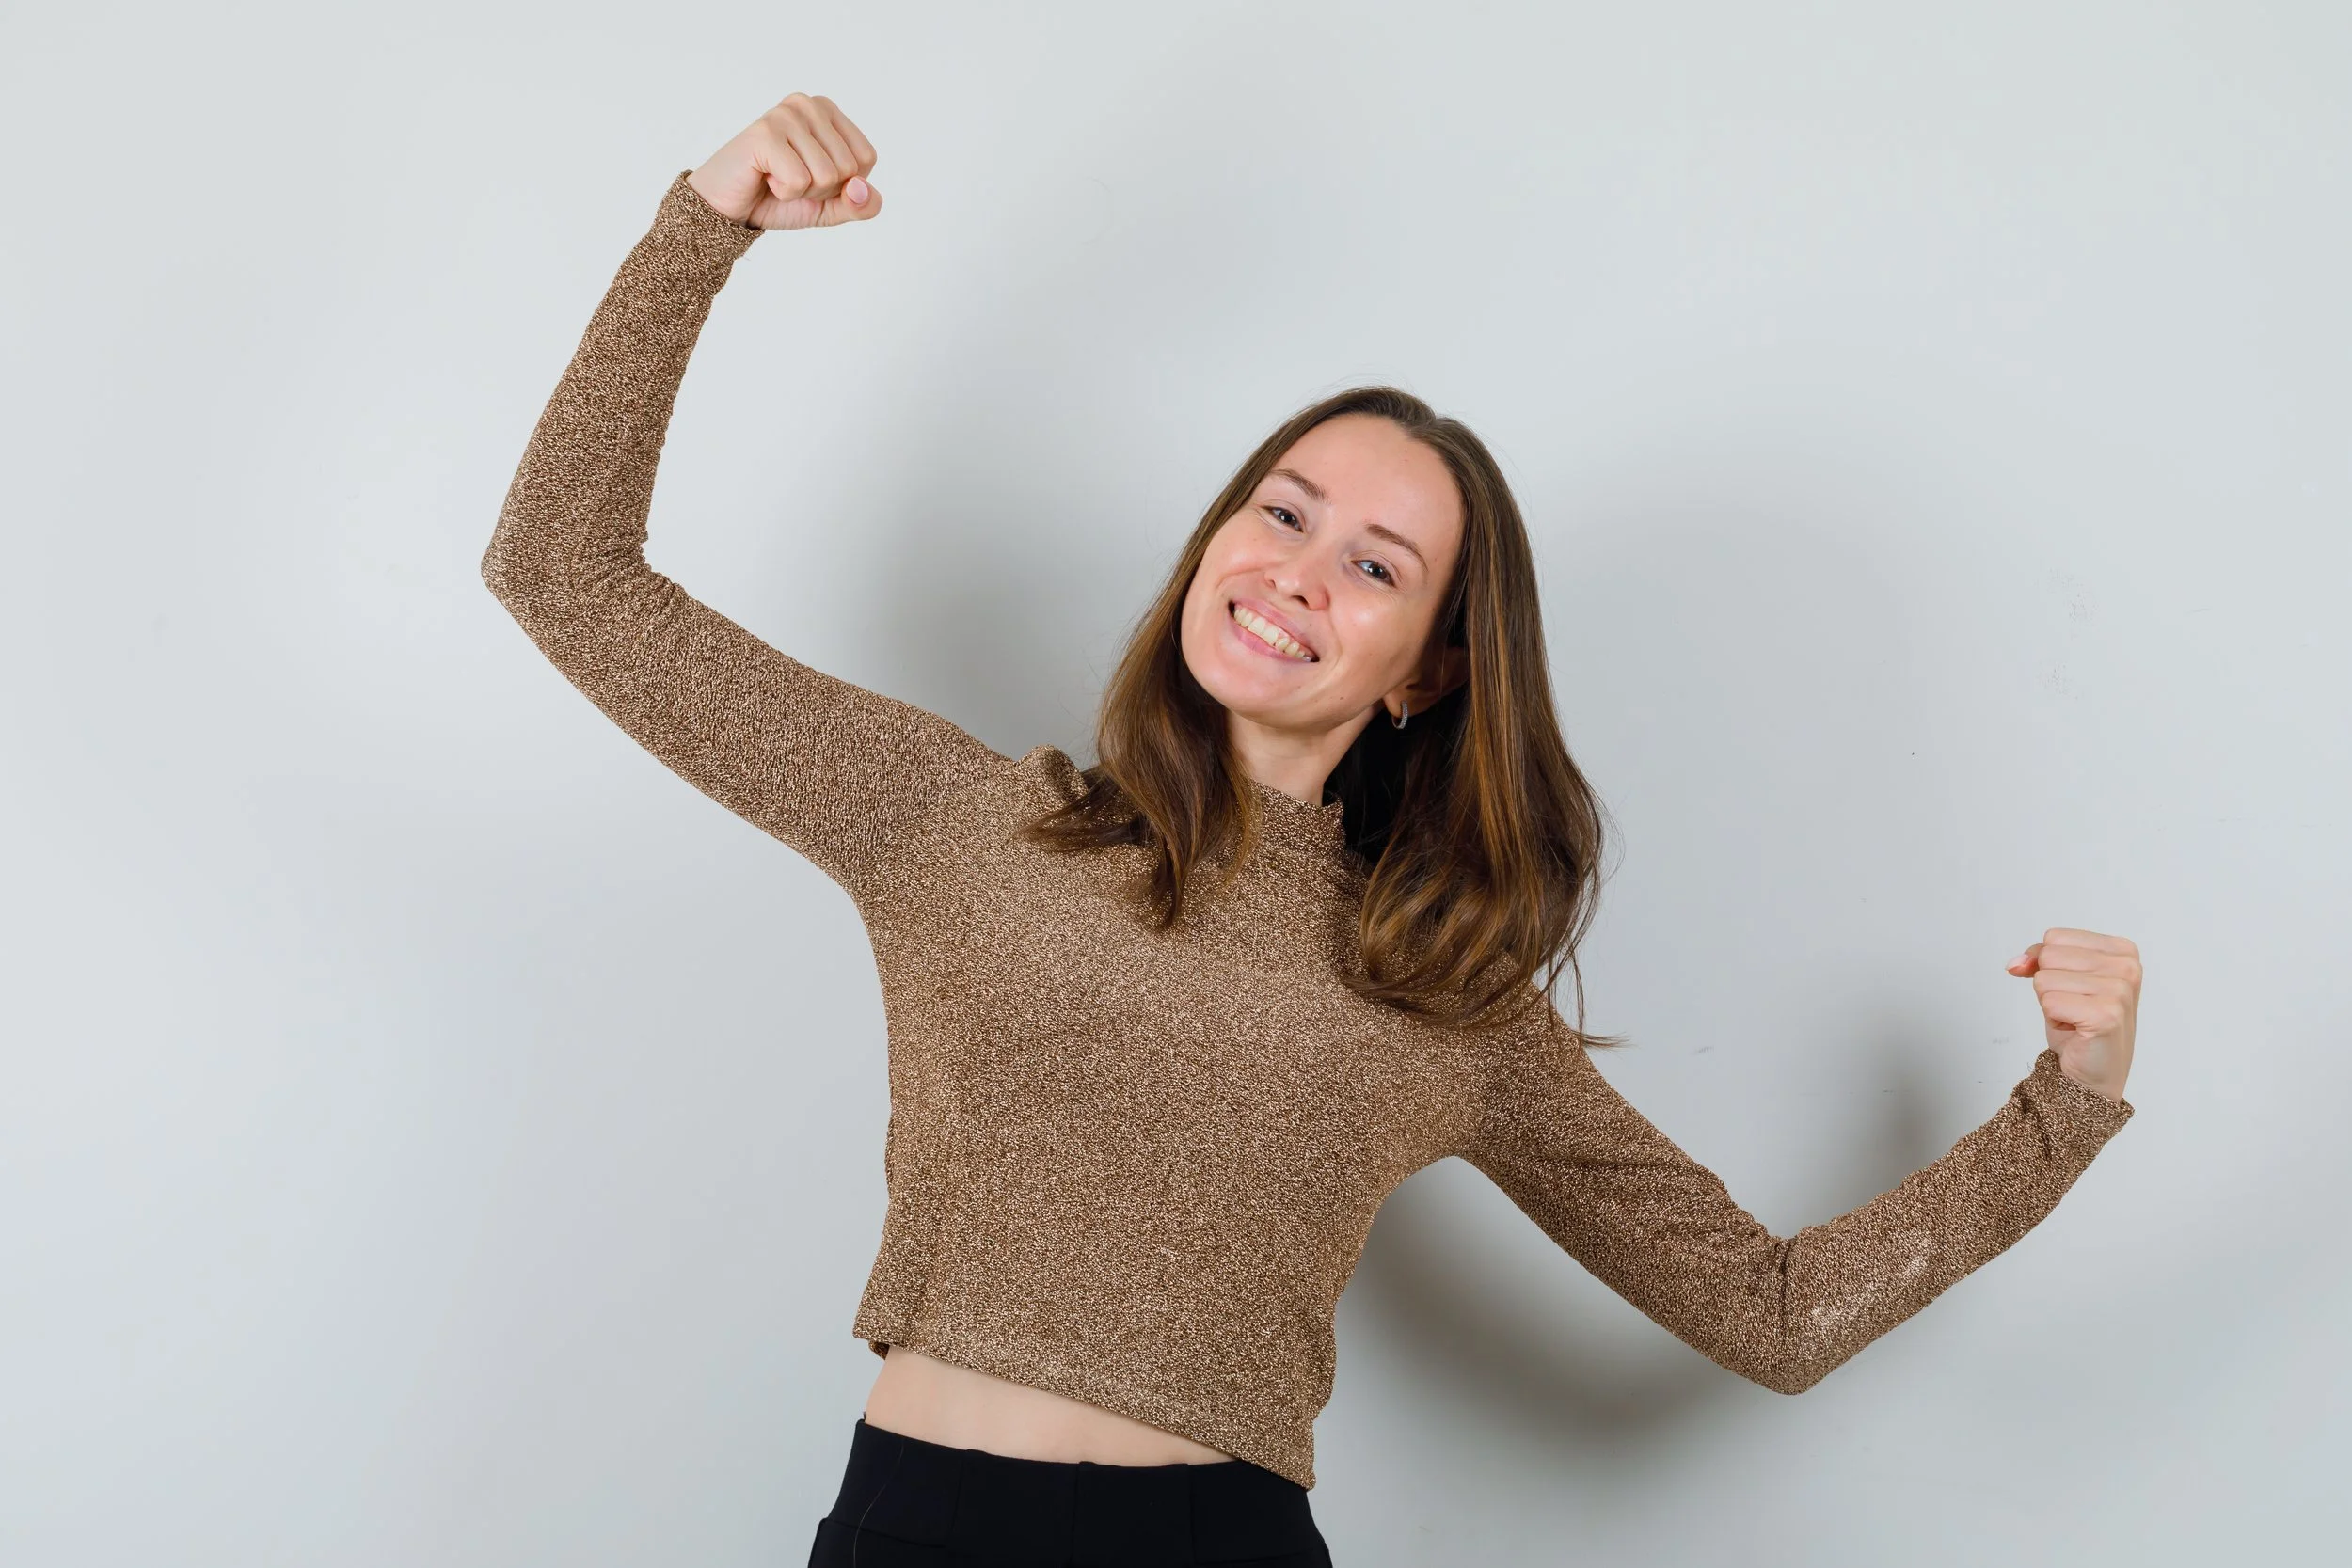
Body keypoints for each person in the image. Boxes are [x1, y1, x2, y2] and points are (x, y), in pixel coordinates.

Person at [481, 91, 2141, 1568]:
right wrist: (703, 226)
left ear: (1427, 670)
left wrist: (2064, 1109)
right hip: (915, 1523)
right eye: (1282, 512)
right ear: (1213, 540)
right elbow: (559, 570)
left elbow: (1773, 1316)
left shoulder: (1444, 994)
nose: (1296, 569)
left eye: (1374, 563)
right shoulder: (956, 818)